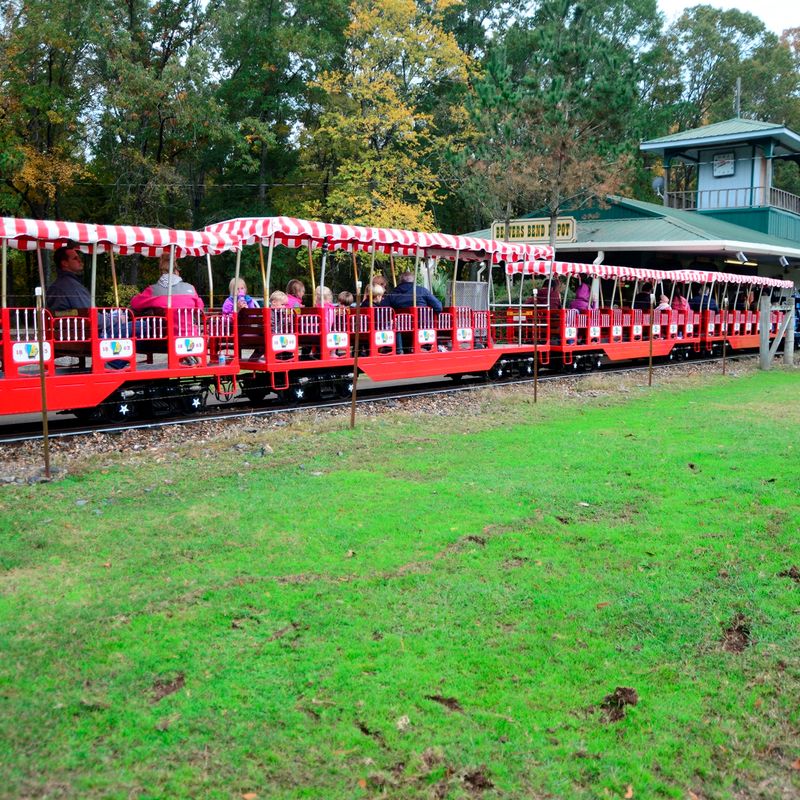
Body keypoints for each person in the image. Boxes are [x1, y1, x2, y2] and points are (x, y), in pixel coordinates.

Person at [130, 254, 204, 312]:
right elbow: (200, 307)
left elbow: (135, 304)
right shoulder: (190, 288)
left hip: (163, 330)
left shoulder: (153, 290)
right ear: (176, 271)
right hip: (190, 331)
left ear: (161, 272)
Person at [46, 246, 91, 312]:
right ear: (65, 263)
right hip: (78, 321)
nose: (79, 260)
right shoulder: (71, 286)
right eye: (75, 258)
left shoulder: (58, 285)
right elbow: (89, 314)